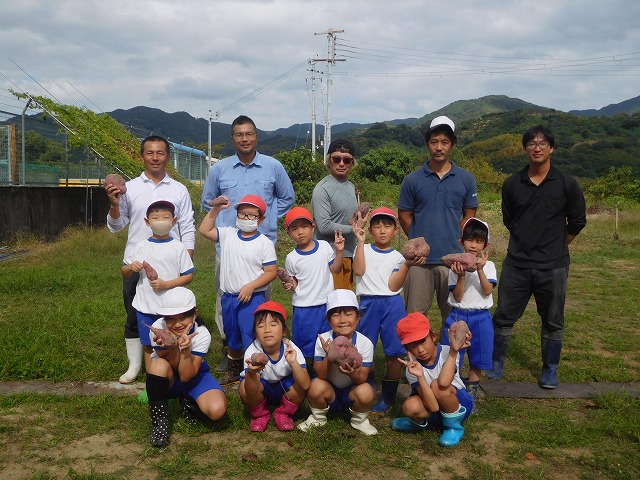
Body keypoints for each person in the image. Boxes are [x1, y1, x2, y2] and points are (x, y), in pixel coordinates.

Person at [488, 125, 586, 389]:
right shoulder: (512, 184)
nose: (537, 148)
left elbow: (577, 222)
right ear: (525, 149)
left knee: (553, 320)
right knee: (504, 316)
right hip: (517, 263)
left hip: (553, 266)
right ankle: (496, 364)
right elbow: (511, 220)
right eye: (532, 143)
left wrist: (556, 246)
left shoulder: (567, 183)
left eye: (543, 143)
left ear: (551, 148)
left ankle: (550, 369)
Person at [201, 115, 295, 372]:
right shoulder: (220, 169)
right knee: (226, 299)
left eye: (249, 134)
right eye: (239, 134)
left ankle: (261, 352)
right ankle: (231, 351)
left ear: (256, 136)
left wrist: (266, 219)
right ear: (233, 138)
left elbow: (287, 198)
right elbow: (207, 201)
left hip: (261, 248)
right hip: (228, 246)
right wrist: (220, 211)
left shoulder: (273, 166)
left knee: (261, 301)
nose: (245, 139)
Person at [106, 135, 196, 384]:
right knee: (136, 314)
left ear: (168, 156)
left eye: (160, 153)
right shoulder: (131, 188)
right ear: (141, 156)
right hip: (136, 262)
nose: (155, 157)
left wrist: (185, 256)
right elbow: (117, 225)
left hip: (169, 264)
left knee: (173, 315)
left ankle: (170, 364)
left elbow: (187, 224)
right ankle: (135, 367)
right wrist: (114, 204)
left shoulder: (179, 189)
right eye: (149, 153)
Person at [398, 116, 478, 330]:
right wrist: (417, 244)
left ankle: (449, 361)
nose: (439, 147)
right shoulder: (412, 180)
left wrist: (458, 241)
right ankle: (414, 362)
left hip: (453, 260)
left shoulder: (466, 178)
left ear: (452, 144)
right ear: (428, 145)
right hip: (418, 263)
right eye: (434, 142)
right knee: (415, 316)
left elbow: (469, 215)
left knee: (453, 314)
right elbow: (404, 214)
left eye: (444, 142)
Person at [198, 193, 277, 385]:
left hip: (253, 298)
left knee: (251, 335)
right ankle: (234, 370)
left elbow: (270, 271)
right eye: (243, 214)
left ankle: (255, 372)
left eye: (252, 216)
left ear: (261, 219)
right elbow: (204, 229)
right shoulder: (227, 234)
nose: (246, 219)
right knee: (231, 334)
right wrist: (216, 208)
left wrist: (251, 286)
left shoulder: (264, 243)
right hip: (229, 297)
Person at [353, 207, 425, 413]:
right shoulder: (364, 249)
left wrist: (408, 265)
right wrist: (359, 242)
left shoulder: (399, 257)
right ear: (371, 229)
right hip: (368, 304)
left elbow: (393, 286)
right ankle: (364, 386)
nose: (382, 230)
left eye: (387, 225)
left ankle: (388, 396)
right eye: (377, 225)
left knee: (394, 352)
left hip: (392, 305)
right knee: (362, 348)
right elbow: (358, 270)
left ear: (396, 231)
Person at [145, 287, 227, 448]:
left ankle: (189, 402)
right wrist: (174, 346)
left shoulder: (202, 334)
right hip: (168, 375)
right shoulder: (157, 329)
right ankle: (160, 424)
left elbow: (186, 376)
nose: (177, 324)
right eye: (171, 319)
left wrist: (186, 350)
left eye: (184, 317)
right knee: (157, 365)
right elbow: (172, 367)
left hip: (193, 374)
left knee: (217, 411)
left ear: (195, 314)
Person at [121, 200, 195, 371]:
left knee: (173, 343)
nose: (160, 221)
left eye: (165, 217)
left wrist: (166, 284)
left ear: (174, 221)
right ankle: (152, 380)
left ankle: (173, 376)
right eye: (155, 217)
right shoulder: (140, 246)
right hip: (146, 306)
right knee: (150, 345)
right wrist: (131, 268)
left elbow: (188, 276)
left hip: (172, 310)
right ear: (147, 222)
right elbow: (123, 271)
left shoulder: (178, 247)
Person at [297, 289, 378, 436]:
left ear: (358, 317)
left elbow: (362, 378)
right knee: (315, 386)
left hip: (352, 393)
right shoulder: (323, 339)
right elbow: (321, 375)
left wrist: (354, 374)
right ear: (329, 320)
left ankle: (359, 420)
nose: (342, 320)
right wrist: (330, 354)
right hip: (330, 393)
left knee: (366, 391)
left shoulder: (365, 343)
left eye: (349, 314)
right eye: (335, 315)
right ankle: (318, 417)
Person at [391, 312, 473, 447]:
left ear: (433, 336)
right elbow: (433, 407)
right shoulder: (412, 367)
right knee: (409, 406)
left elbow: (444, 383)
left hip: (457, 405)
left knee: (437, 385)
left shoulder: (449, 351)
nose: (420, 350)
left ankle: (454, 427)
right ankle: (421, 423)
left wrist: (453, 352)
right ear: (407, 349)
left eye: (423, 341)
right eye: (413, 346)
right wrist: (420, 376)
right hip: (434, 409)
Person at [281, 206, 345, 371]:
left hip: (325, 306)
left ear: (313, 227)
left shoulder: (324, 247)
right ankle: (305, 373)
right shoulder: (291, 258)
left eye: (304, 227)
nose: (300, 232)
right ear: (289, 234)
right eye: (294, 229)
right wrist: (289, 283)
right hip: (303, 308)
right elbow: (295, 284)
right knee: (305, 343)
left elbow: (336, 269)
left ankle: (326, 372)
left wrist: (339, 252)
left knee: (327, 341)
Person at [441, 217, 497, 400]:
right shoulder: (454, 267)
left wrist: (480, 270)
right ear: (461, 241)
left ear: (486, 245)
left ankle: (472, 387)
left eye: (479, 241)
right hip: (458, 315)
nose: (473, 245)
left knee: (480, 353)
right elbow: (457, 296)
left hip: (481, 316)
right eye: (470, 240)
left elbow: (487, 290)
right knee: (453, 352)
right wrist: (461, 276)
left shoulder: (489, 266)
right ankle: (453, 387)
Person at [239, 301, 311, 432]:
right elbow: (249, 391)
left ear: (284, 331)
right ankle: (259, 415)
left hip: (284, 389)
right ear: (255, 333)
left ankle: (284, 413)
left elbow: (306, 385)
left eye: (273, 324)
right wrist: (251, 373)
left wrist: (294, 363)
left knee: (300, 383)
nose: (267, 330)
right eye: (261, 326)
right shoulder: (252, 351)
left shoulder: (291, 348)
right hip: (261, 388)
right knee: (244, 388)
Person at [312, 139, 367, 290]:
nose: (341, 163)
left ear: (352, 163)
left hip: (348, 254)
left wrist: (357, 218)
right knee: (333, 306)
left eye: (347, 160)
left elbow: (346, 218)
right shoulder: (322, 189)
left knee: (346, 304)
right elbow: (324, 226)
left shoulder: (349, 186)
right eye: (336, 159)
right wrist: (355, 229)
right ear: (329, 161)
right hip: (330, 257)